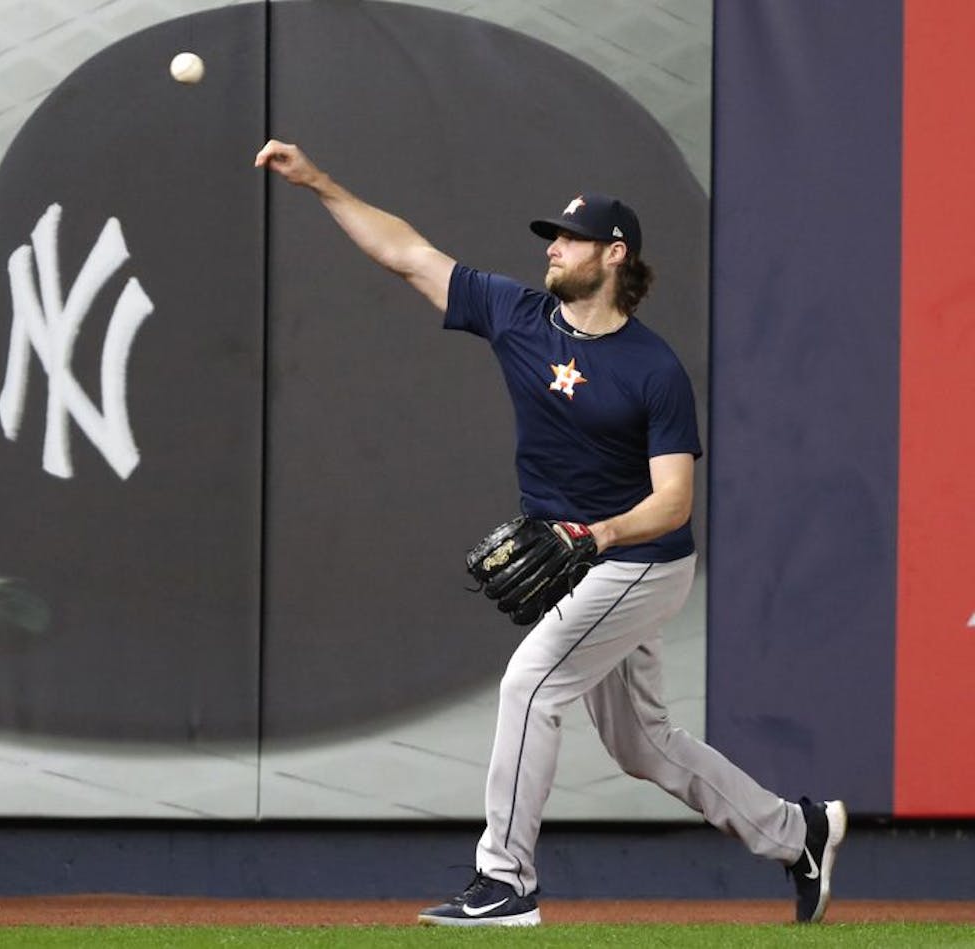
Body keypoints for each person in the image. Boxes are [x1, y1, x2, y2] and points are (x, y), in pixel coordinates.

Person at [253, 139, 846, 927]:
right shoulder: (519, 315)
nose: (553, 248)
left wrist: (593, 536)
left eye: (567, 238)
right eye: (551, 237)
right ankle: (795, 831)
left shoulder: (652, 368)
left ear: (614, 254)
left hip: (639, 559)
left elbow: (673, 501)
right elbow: (406, 253)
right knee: (643, 744)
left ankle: (506, 882)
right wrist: (319, 182)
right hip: (582, 562)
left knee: (531, 683)